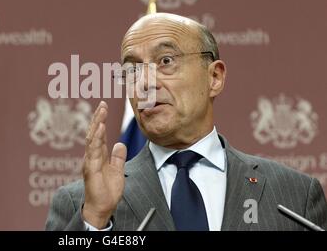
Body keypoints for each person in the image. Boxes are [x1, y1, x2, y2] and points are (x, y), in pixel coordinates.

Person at [45, 13, 327, 231]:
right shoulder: (81, 204)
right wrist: (95, 220)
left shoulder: (294, 196)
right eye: (131, 70)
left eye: (166, 61)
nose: (145, 83)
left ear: (214, 77)